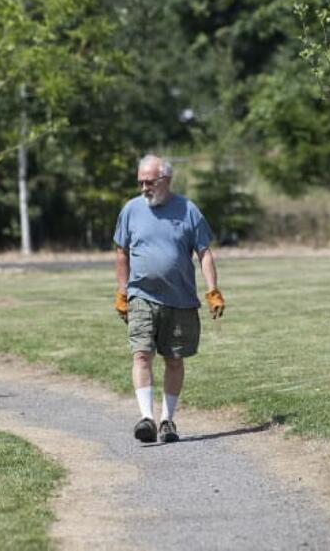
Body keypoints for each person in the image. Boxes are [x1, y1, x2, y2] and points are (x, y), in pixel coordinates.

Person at [113, 154, 224, 444]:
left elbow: (204, 253)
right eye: (140, 182)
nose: (143, 188)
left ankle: (167, 421)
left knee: (174, 359)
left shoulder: (188, 210)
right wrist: (122, 291)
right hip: (141, 296)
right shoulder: (131, 210)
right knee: (141, 354)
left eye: (149, 182)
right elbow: (122, 252)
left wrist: (212, 290)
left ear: (166, 180)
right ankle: (146, 418)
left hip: (180, 299)